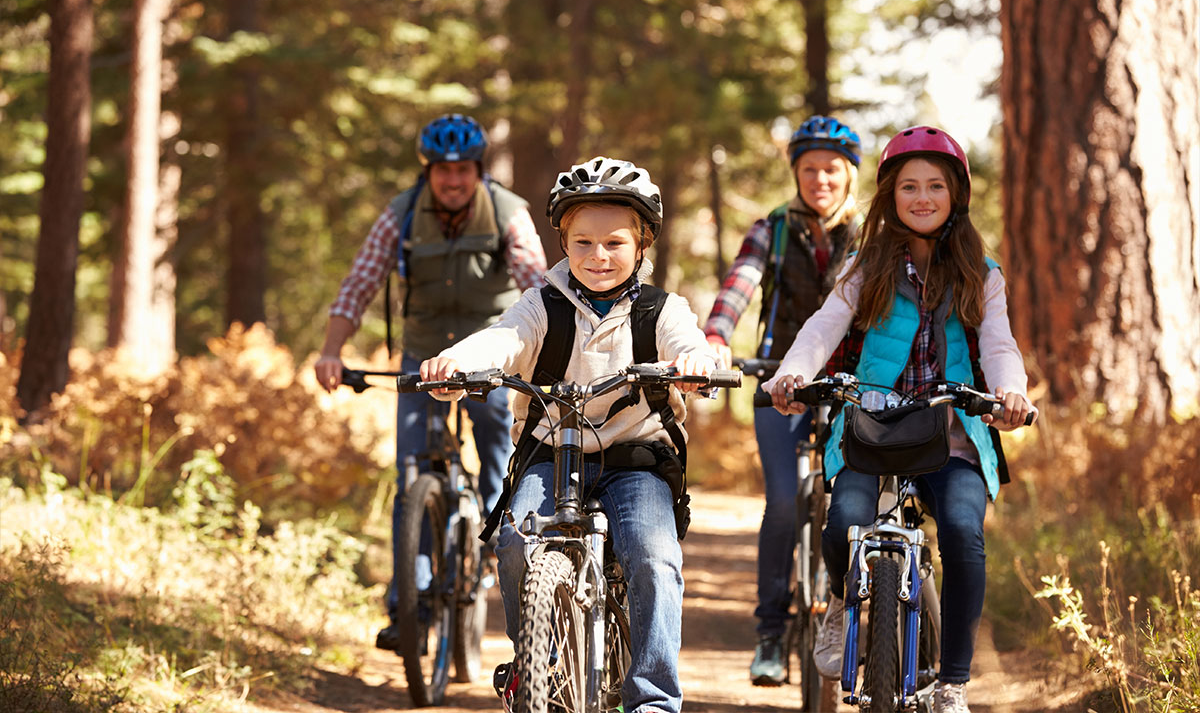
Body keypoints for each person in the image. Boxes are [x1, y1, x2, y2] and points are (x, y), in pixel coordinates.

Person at [422, 156, 716, 713]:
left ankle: (653, 699)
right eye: (582, 242)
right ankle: (537, 665)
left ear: (642, 243)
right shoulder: (542, 305)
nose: (597, 256)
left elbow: (688, 344)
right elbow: (502, 338)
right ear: (562, 242)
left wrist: (697, 365)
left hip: (638, 461)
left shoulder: (661, 310)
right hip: (551, 456)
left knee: (654, 557)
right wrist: (453, 365)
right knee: (516, 540)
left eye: (614, 243)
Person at [763, 125, 1037, 713]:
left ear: (955, 194)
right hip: (870, 427)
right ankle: (842, 601)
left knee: (964, 533)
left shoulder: (982, 273)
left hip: (952, 432)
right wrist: (792, 373)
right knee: (845, 525)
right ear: (888, 195)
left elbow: (999, 345)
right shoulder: (867, 265)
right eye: (908, 186)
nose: (921, 197)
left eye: (935, 186)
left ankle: (954, 683)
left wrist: (1009, 391)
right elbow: (824, 325)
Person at [313, 113, 547, 651]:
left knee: (500, 459)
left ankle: (499, 558)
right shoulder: (400, 214)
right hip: (421, 357)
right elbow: (358, 285)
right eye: (442, 171)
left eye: (462, 169)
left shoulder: (509, 213)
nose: (453, 180)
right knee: (412, 472)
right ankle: (409, 607)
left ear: (477, 170)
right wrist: (331, 351)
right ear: (428, 172)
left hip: (488, 354)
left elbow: (537, 285)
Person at [702, 114, 863, 685]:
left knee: (857, 502)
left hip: (853, 383)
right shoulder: (770, 227)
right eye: (809, 169)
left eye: (831, 170)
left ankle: (866, 613)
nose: (820, 179)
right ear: (796, 173)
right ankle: (771, 633)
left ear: (850, 175)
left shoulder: (872, 232)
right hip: (777, 379)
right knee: (783, 503)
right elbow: (740, 283)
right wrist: (718, 336)